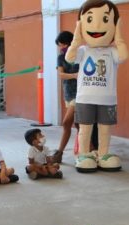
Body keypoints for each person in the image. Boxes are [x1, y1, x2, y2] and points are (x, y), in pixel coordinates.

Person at [66, 0, 129, 172]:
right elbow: (69, 58)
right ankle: (84, 154)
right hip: (85, 97)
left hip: (107, 98)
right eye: (90, 19)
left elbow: (124, 55)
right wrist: (77, 38)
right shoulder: (83, 51)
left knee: (105, 130)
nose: (98, 25)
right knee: (85, 129)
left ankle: (103, 154)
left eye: (106, 20)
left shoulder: (112, 52)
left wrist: (118, 35)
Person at [54, 31, 80, 164]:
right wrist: (75, 75)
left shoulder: (80, 54)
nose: (61, 47)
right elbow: (61, 74)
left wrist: (75, 75)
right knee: (78, 124)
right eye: (60, 45)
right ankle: (87, 149)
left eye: (63, 44)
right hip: (68, 94)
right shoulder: (60, 57)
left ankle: (59, 152)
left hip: (80, 94)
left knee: (66, 123)